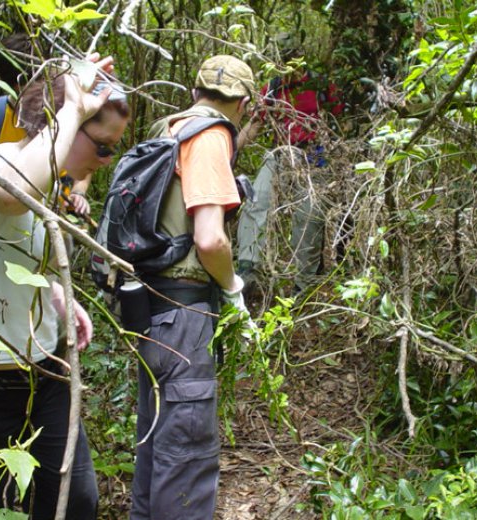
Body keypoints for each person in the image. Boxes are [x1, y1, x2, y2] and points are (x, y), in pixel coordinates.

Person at [0, 61, 130, 518]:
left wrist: (59, 296)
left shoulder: (49, 186)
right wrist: (72, 107)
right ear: (58, 123)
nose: (105, 161)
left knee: (73, 503)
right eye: (102, 146)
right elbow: (7, 194)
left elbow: (15, 254)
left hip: (45, 373)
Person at [129, 55, 255, 519]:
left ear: (195, 92)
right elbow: (209, 239)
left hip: (149, 309)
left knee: (155, 446)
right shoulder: (211, 136)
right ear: (242, 104)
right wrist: (233, 287)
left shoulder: (168, 129)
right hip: (183, 318)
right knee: (186, 456)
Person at [236, 46, 344, 293]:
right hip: (281, 153)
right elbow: (255, 124)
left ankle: (303, 283)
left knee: (308, 215)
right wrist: (229, 150)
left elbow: (341, 122)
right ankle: (248, 269)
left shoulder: (320, 86)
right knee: (257, 199)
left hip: (315, 155)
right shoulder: (273, 88)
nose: (288, 69)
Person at [0, 33, 92, 217]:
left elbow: (86, 158)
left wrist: (78, 192)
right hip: (12, 218)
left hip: (61, 215)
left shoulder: (64, 109)